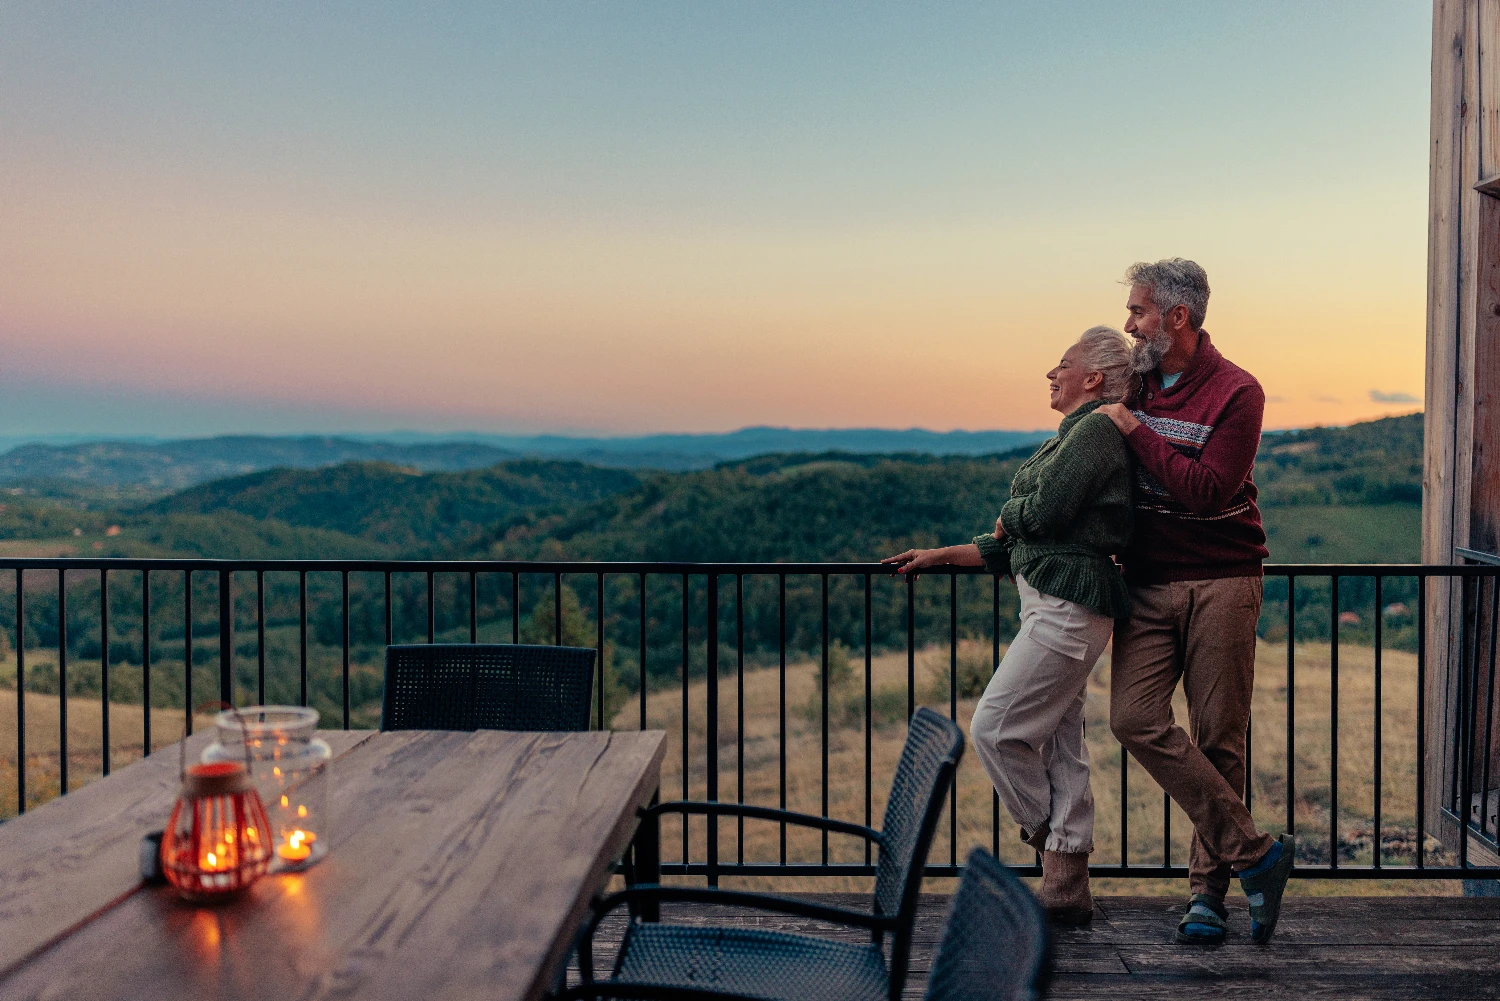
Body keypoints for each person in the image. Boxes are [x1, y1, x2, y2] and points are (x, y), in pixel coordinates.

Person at [882, 325, 1134, 925]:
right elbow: (1020, 542)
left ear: (1092, 378)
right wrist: (942, 555)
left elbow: (1037, 516)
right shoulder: (1076, 436)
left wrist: (1007, 517)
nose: (1051, 374)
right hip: (1058, 606)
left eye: (1062, 365)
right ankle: (1066, 890)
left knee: (994, 727)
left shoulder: (1096, 430)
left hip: (1066, 612)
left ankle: (1055, 844)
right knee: (1059, 742)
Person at [1097, 258, 1294, 946]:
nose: (1130, 323)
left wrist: (1133, 431)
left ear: (1176, 318)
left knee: (1218, 736)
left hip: (1223, 578)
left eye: (1139, 311)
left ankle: (1207, 895)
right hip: (1147, 582)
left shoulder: (1238, 391)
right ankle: (1258, 853)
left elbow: (1209, 489)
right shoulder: (1135, 384)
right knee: (1132, 717)